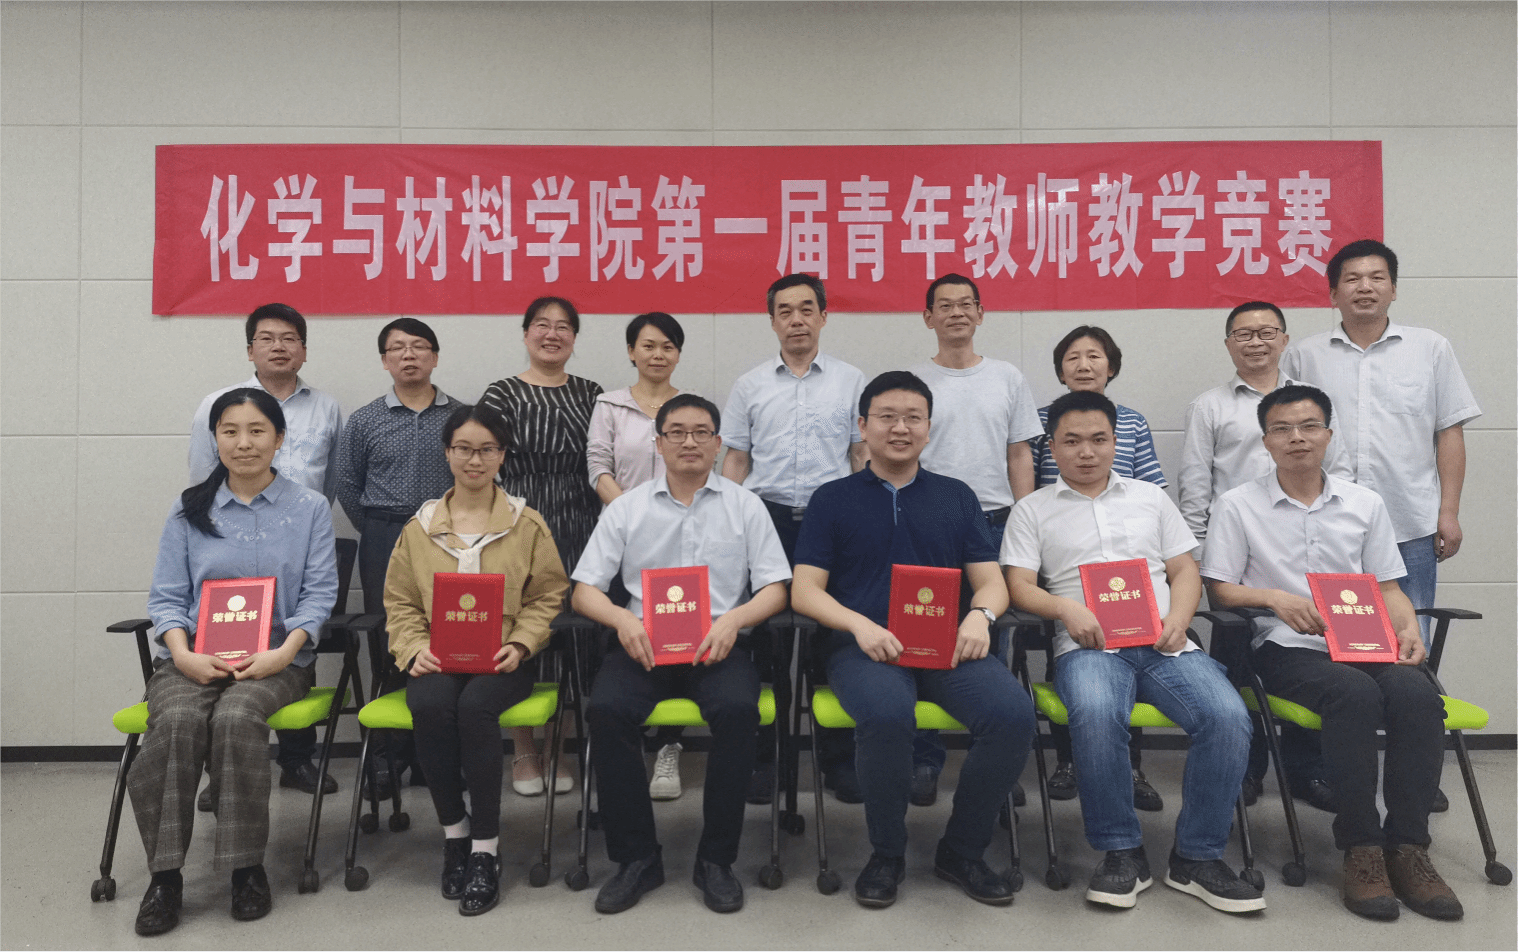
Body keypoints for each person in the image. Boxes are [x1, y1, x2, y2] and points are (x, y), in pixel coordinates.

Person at [1201, 385, 1458, 922]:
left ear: (1328, 434)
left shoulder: (1364, 503)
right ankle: (1362, 849)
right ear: (1266, 441)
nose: (1297, 438)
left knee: (1417, 695)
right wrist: (1274, 597)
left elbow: (1388, 587)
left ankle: (1409, 848)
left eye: (1309, 426)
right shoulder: (1238, 505)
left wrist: (1408, 628)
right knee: (1353, 695)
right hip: (1284, 645)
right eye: (1282, 429)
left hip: (1364, 639)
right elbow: (1221, 589)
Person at [1003, 390, 1262, 914]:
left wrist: (1179, 620)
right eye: (1071, 441)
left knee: (1228, 716)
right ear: (1052, 446)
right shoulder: (1032, 509)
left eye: (1099, 439)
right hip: (1089, 647)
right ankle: (1121, 852)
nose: (1086, 451)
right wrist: (1065, 609)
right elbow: (1019, 586)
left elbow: (1185, 570)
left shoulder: (1150, 498)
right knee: (1097, 714)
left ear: (1115, 442)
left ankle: (1197, 857)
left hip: (1167, 644)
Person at [791, 371, 1035, 910]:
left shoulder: (955, 497)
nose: (900, 428)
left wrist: (980, 617)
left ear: (928, 427)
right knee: (886, 714)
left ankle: (962, 850)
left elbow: (991, 581)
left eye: (913, 418)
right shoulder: (831, 499)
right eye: (887, 417)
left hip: (948, 646)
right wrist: (859, 625)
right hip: (864, 649)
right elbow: (805, 591)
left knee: (1013, 714)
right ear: (863, 426)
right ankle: (887, 853)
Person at [130, 388, 338, 936]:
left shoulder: (310, 508)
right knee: (177, 719)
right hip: (193, 657)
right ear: (215, 439)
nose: (243, 443)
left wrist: (284, 652)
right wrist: (182, 654)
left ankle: (246, 869)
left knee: (236, 717)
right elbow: (166, 598)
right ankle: (165, 877)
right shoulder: (189, 508)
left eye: (256, 430)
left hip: (278, 660)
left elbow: (319, 595)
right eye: (230, 431)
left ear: (279, 439)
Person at [572, 394, 792, 914]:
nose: (689, 442)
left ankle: (716, 859)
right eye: (677, 432)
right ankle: (636, 858)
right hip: (643, 644)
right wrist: (623, 619)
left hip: (718, 645)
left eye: (700, 433)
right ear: (659, 443)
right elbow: (584, 591)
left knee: (738, 711)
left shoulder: (746, 505)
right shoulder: (627, 507)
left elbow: (776, 588)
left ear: (718, 444)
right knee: (606, 710)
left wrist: (734, 620)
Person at [383, 404, 570, 916]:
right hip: (438, 657)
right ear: (447, 453)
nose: (474, 459)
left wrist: (523, 643)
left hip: (504, 659)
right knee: (430, 706)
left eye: (487, 449)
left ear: (502, 455)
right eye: (463, 448)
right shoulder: (420, 527)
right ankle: (455, 835)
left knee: (475, 708)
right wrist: (414, 648)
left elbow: (548, 594)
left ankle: (486, 849)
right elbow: (399, 600)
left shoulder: (526, 524)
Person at [1180, 301, 1348, 814]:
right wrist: (1199, 558)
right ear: (1228, 343)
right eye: (1244, 334)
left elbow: (1338, 469)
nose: (1256, 342)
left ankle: (1305, 770)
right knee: (1235, 662)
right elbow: (1196, 481)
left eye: (1266, 332)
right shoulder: (1210, 406)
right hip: (1234, 552)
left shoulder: (1310, 403)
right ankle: (1244, 768)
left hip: (1303, 546)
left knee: (1311, 651)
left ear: (1284, 339)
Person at [1280, 239, 1480, 646]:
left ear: (1393, 289)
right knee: (1332, 642)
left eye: (1376, 277)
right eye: (1352, 279)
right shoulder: (1304, 356)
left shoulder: (1430, 348)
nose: (1365, 287)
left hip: (1409, 522)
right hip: (1327, 521)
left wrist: (1449, 512)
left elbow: (1449, 431)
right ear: (1333, 294)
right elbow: (1285, 437)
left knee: (1411, 640)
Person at [721, 273, 869, 803]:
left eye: (807, 309)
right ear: (772, 321)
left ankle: (838, 760)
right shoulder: (750, 385)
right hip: (767, 520)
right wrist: (725, 523)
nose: (797, 320)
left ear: (824, 317)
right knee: (763, 644)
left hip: (833, 522)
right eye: (785, 311)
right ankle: (764, 760)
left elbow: (860, 454)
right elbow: (736, 459)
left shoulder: (851, 380)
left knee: (833, 639)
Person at [188, 303, 342, 803]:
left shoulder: (326, 408)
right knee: (226, 647)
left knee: (294, 638)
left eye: (289, 338)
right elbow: (202, 479)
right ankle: (219, 772)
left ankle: (297, 760)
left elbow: (333, 480)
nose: (279, 346)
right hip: (230, 541)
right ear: (250, 349)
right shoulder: (218, 404)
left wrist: (300, 523)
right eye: (267, 338)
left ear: (304, 350)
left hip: (297, 541)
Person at [908, 273, 1041, 808]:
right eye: (945, 305)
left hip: (994, 520)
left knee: (994, 635)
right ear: (928, 318)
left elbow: (1019, 454)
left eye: (966, 304)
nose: (956, 313)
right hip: (929, 519)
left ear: (981, 314)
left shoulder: (1007, 377)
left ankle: (997, 764)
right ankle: (923, 758)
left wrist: (1025, 521)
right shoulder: (913, 381)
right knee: (923, 633)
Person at [1029, 325, 1165, 809]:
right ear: (1060, 369)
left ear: (1112, 365)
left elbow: (1153, 485)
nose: (1084, 365)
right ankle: (1068, 760)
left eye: (1094, 356)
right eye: (1073, 357)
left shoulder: (1132, 422)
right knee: (1070, 656)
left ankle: (1132, 766)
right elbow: (1032, 487)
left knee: (1134, 654)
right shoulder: (1040, 421)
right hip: (1065, 558)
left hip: (1126, 566)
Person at [335, 318, 463, 798]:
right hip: (384, 535)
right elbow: (347, 482)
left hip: (449, 537)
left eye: (419, 347)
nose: (409, 355)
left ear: (435, 357)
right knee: (391, 642)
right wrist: (377, 529)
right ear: (385, 360)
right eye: (397, 349)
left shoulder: (461, 417)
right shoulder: (365, 420)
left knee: (450, 639)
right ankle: (388, 758)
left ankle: (436, 758)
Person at [480, 296, 602, 796]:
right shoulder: (501, 394)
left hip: (581, 523)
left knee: (574, 635)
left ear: (574, 337)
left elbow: (602, 458)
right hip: (517, 525)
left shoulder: (592, 393)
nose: (552, 334)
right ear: (526, 332)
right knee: (519, 626)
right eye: (542, 325)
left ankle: (559, 747)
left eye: (563, 327)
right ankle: (524, 748)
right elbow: (484, 460)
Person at [586, 312, 691, 801]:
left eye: (667, 346)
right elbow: (598, 466)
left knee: (679, 637)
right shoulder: (609, 404)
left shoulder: (689, 408)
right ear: (631, 351)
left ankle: (670, 745)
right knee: (627, 637)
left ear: (678, 354)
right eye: (648, 345)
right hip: (623, 536)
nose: (657, 354)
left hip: (681, 539)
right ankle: (623, 746)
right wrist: (633, 514)